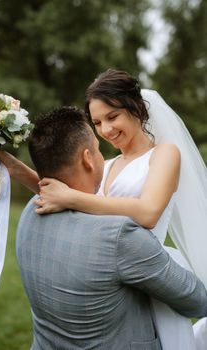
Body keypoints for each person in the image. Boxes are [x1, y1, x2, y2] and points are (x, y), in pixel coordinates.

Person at [24, 69, 207, 350]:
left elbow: (148, 212)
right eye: (97, 122)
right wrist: (12, 166)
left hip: (151, 274)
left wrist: (71, 199)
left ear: (136, 108)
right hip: (112, 281)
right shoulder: (108, 164)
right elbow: (57, 189)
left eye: (112, 117)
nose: (106, 130)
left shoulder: (164, 154)